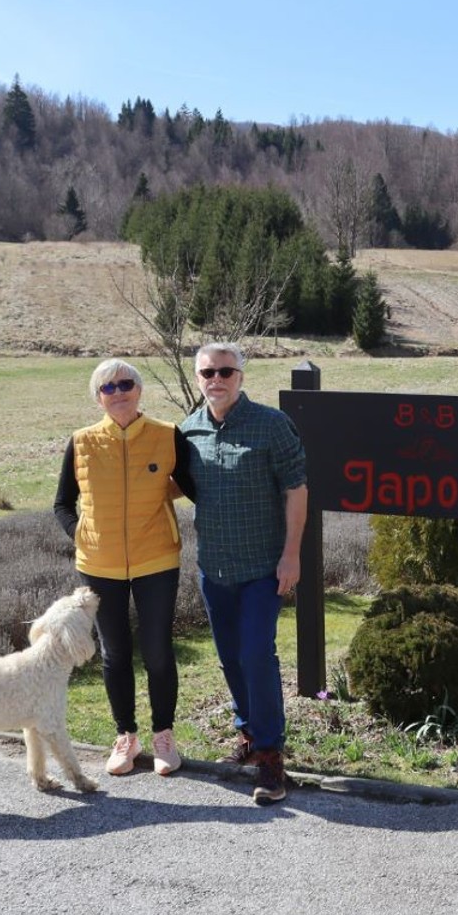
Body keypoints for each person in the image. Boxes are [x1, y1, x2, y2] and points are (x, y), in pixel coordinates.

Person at [54, 359, 195, 778]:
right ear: (98, 397)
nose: (118, 392)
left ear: (140, 390)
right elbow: (62, 502)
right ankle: (125, 737)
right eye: (108, 387)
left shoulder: (168, 435)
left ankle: (164, 737)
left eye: (125, 383)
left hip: (157, 560)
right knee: (115, 653)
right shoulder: (81, 441)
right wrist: (80, 534)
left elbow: (191, 484)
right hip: (99, 564)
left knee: (156, 650)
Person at [180, 342, 308, 805]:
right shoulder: (188, 431)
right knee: (230, 656)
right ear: (197, 378)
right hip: (214, 567)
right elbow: (169, 483)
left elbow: (297, 489)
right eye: (207, 372)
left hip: (263, 567)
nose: (216, 379)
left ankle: (272, 755)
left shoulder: (272, 425)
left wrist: (291, 554)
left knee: (256, 653)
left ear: (241, 377)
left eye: (225, 372)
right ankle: (249, 734)